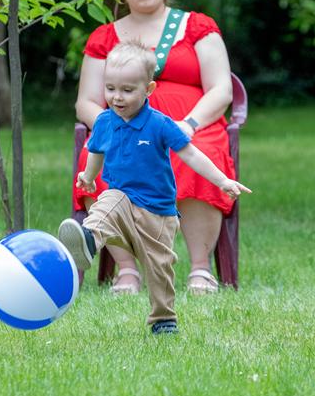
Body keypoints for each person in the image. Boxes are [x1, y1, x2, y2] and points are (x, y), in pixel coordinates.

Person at [73, 0, 238, 296]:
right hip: (124, 127)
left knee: (197, 156)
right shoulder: (104, 37)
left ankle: (200, 269)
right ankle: (127, 271)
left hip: (190, 126)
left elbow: (221, 90)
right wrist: (113, 129)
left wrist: (189, 125)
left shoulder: (197, 27)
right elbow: (86, 101)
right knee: (95, 158)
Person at [59, 41, 250, 334]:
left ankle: (163, 318)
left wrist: (222, 180)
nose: (117, 97)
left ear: (148, 89)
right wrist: (88, 175)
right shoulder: (105, 121)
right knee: (108, 201)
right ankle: (88, 238)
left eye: (127, 90)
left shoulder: (159, 124)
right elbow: (96, 151)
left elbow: (191, 154)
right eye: (110, 88)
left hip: (157, 213)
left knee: (159, 268)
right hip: (122, 202)